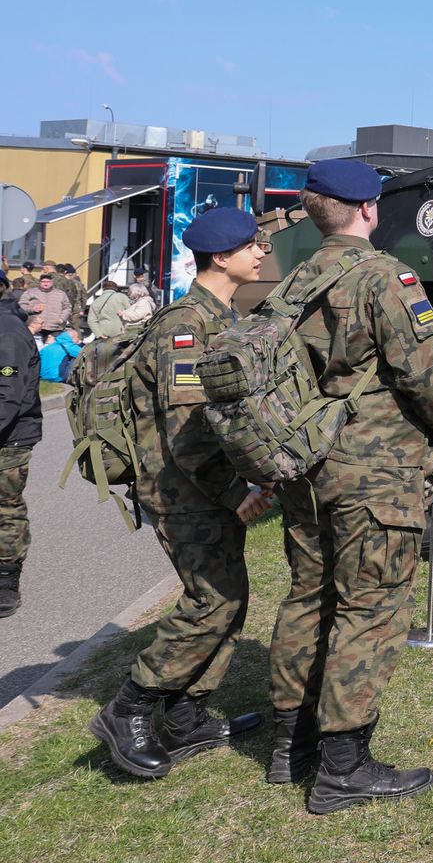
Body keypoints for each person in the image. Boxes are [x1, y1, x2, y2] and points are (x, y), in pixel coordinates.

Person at [265, 159, 433, 814]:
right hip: (372, 470)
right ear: (370, 209)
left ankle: (289, 746)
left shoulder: (295, 281)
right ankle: (343, 766)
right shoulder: (384, 277)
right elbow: (427, 374)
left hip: (306, 463)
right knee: (370, 609)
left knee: (307, 597)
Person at [87, 207, 272, 779]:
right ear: (223, 257)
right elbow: (187, 428)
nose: (261, 252)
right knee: (210, 601)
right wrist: (234, 488)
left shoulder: (220, 316)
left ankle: (187, 716)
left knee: (228, 594)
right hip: (183, 490)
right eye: (252, 245)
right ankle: (130, 707)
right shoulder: (185, 326)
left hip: (203, 488)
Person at [0, 293, 41, 618]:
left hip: (9, 439)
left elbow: (9, 394)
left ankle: (6, 583)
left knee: (5, 510)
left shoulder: (8, 329)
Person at [20, 274, 69, 343]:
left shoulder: (61, 294)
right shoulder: (30, 292)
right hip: (36, 328)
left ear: (52, 282)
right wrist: (32, 309)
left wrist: (62, 319)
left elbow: (67, 307)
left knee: (51, 350)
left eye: (48, 282)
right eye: (43, 282)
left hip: (55, 328)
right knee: (36, 349)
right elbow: (21, 305)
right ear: (40, 282)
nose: (46, 283)